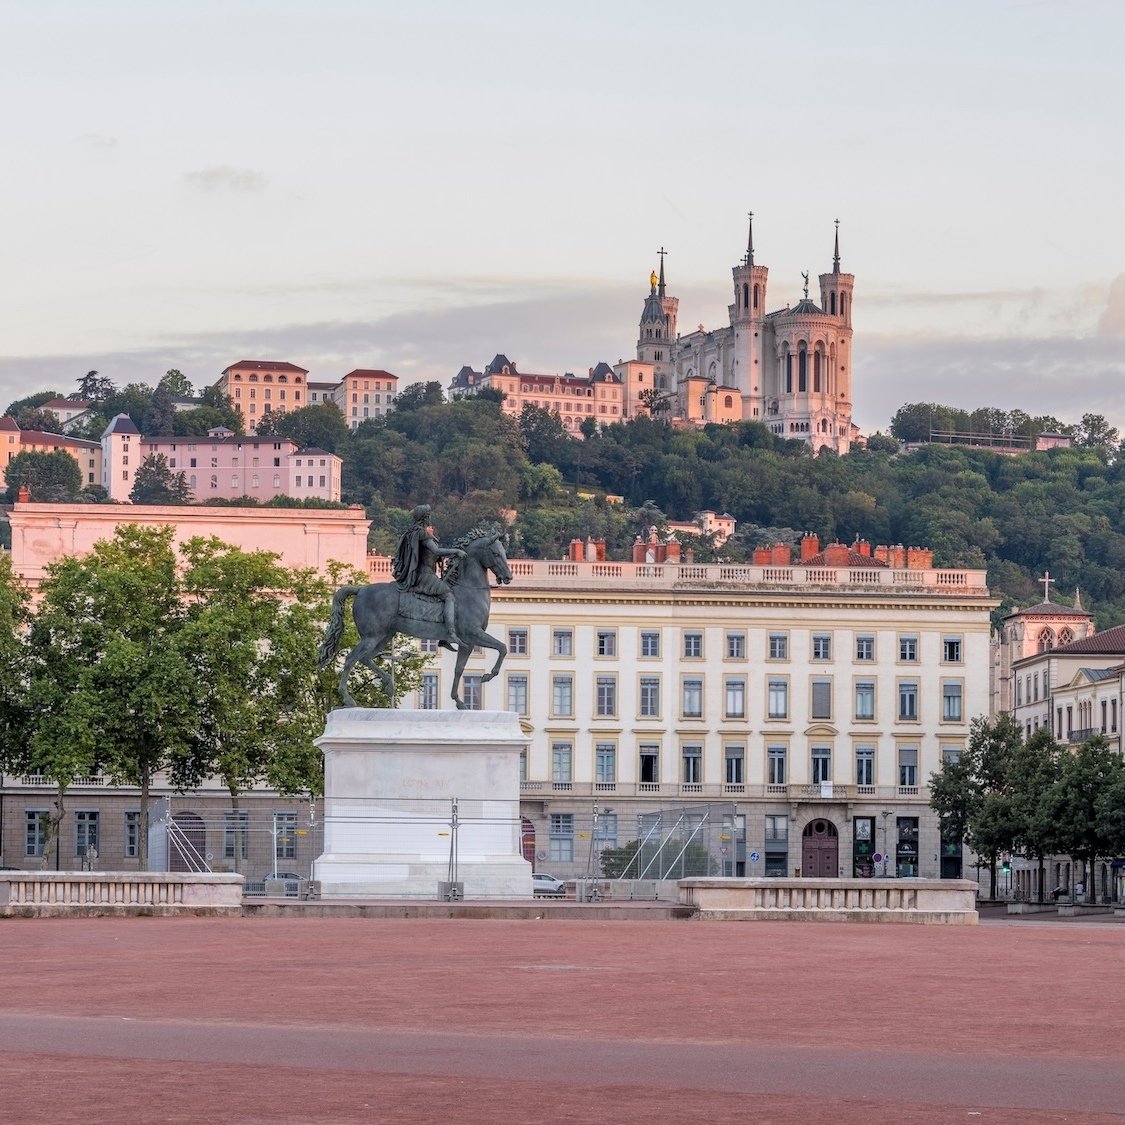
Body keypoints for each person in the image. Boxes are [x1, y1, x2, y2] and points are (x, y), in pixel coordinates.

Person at [392, 504, 466, 645]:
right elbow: (436, 551)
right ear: (426, 517)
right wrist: (456, 551)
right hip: (425, 575)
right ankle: (448, 635)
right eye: (429, 516)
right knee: (449, 596)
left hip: (418, 573)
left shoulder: (411, 532)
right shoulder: (422, 533)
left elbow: (428, 554)